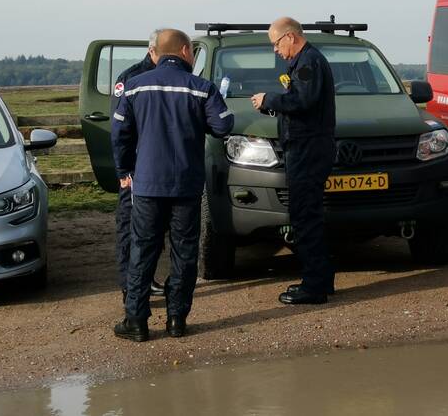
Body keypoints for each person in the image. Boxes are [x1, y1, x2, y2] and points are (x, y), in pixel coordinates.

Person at [111, 29, 234, 341]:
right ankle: (177, 320)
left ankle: (136, 321)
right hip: (186, 184)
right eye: (192, 51)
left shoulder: (134, 86)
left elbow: (119, 133)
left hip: (148, 184)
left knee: (143, 250)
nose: (193, 56)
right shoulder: (201, 88)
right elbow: (223, 124)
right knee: (184, 251)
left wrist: (125, 168)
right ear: (183, 51)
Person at [251, 17, 336, 304]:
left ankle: (314, 287)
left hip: (308, 150)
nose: (275, 50)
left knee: (304, 217)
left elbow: (303, 101)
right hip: (307, 146)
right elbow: (301, 107)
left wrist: (270, 99)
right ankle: (321, 280)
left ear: (290, 37)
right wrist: (273, 108)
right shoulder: (304, 61)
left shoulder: (308, 62)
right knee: (308, 215)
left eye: (276, 43)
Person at [110, 30, 165, 304]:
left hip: (157, 167)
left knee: (154, 230)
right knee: (130, 228)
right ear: (153, 51)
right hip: (136, 168)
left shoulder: (166, 76)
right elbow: (120, 129)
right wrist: (124, 171)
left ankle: (147, 279)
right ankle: (129, 287)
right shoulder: (130, 78)